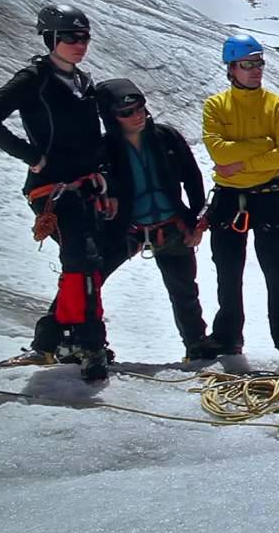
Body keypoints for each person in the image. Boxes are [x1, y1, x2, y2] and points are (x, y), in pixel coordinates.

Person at [0, 4, 114, 381]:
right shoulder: (35, 77)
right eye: (71, 38)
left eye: (84, 38)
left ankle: (59, 340)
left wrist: (102, 175)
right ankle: (89, 344)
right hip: (53, 191)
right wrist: (30, 155)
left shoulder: (82, 81)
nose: (80, 44)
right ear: (51, 39)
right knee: (83, 262)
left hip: (84, 187)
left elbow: (91, 137)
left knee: (83, 265)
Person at [201, 34, 279, 372]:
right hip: (232, 199)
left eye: (258, 63)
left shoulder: (277, 105)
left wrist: (240, 162)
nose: (255, 70)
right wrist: (265, 145)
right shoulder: (216, 106)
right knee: (227, 271)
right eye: (247, 64)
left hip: (267, 196)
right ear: (231, 67)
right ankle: (227, 336)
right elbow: (218, 152)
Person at [93, 78, 218, 362]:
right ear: (110, 117)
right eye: (126, 112)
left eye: (140, 108)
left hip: (171, 225)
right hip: (128, 230)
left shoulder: (166, 137)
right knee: (90, 279)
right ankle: (83, 342)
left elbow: (193, 178)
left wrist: (197, 219)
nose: (137, 116)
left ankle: (196, 343)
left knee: (185, 290)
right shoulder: (102, 150)